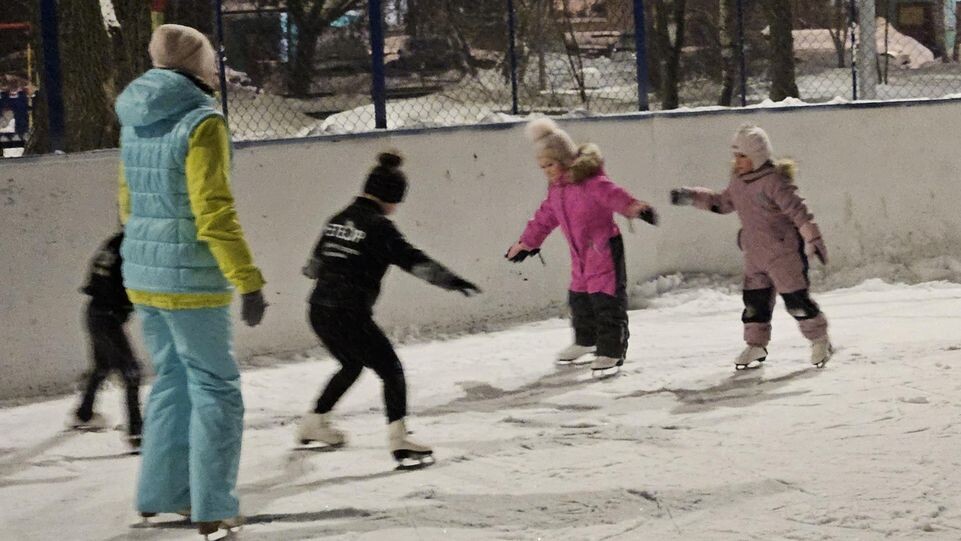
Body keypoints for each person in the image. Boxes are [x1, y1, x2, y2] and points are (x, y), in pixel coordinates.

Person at [114, 24, 266, 537]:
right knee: (215, 389)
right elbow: (214, 211)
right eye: (210, 57)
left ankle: (161, 493)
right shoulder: (203, 121)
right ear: (196, 64)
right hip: (191, 280)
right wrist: (248, 279)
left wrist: (145, 255)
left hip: (143, 273)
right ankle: (213, 506)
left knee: (172, 382)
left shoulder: (135, 117)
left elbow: (127, 202)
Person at [297, 151, 480, 468]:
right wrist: (451, 281)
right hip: (348, 312)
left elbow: (312, 268)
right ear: (392, 198)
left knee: (351, 364)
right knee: (391, 370)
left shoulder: (338, 219)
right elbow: (413, 261)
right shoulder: (380, 227)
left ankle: (314, 422)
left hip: (318, 309)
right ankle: (399, 440)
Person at [670, 124, 832, 370]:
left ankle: (819, 339)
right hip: (754, 254)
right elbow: (722, 203)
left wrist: (813, 239)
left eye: (743, 156)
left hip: (783, 254)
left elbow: (799, 212)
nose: (737, 161)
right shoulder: (739, 182)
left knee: (796, 301)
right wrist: (692, 196)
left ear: (757, 156)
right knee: (754, 303)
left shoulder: (774, 182)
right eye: (735, 156)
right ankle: (756, 345)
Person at [505, 118, 657, 374]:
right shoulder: (557, 190)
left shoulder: (592, 183)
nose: (547, 171)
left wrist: (636, 208)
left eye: (550, 164)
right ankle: (586, 341)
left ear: (564, 159)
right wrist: (526, 243)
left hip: (604, 248)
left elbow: (615, 196)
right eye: (542, 167)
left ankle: (611, 350)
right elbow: (545, 217)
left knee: (606, 298)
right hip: (580, 253)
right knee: (579, 297)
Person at [68, 231, 143, 451]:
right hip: (109, 317)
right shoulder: (133, 245)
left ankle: (84, 414)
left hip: (94, 311)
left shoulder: (115, 241)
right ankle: (137, 434)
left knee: (103, 365)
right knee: (131, 372)